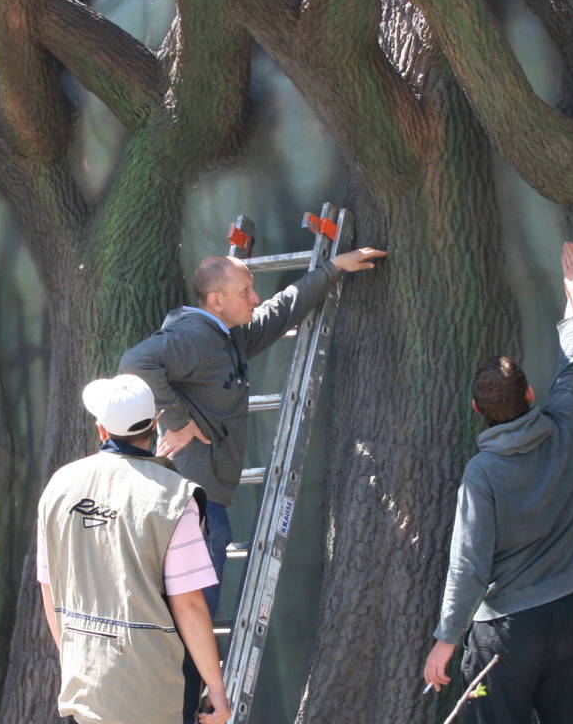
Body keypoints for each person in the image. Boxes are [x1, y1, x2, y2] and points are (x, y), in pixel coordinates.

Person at [422, 241, 573, 724]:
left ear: (478, 412)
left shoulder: (483, 473)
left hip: (503, 637)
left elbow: (468, 566)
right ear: (529, 393)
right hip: (571, 618)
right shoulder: (565, 425)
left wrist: (445, 642)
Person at [36, 374, 232, 724]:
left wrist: (74, 659)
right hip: (152, 692)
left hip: (84, 683)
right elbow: (188, 603)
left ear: (102, 429)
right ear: (155, 425)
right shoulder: (174, 497)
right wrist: (215, 687)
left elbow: (49, 589)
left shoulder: (61, 485)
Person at [119, 245, 387, 619]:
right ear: (216, 300)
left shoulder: (228, 336)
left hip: (204, 498)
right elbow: (135, 362)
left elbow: (278, 312)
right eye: (245, 291)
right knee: (192, 616)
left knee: (193, 613)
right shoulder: (194, 336)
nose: (254, 298)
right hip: (192, 500)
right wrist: (178, 422)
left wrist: (331, 268)